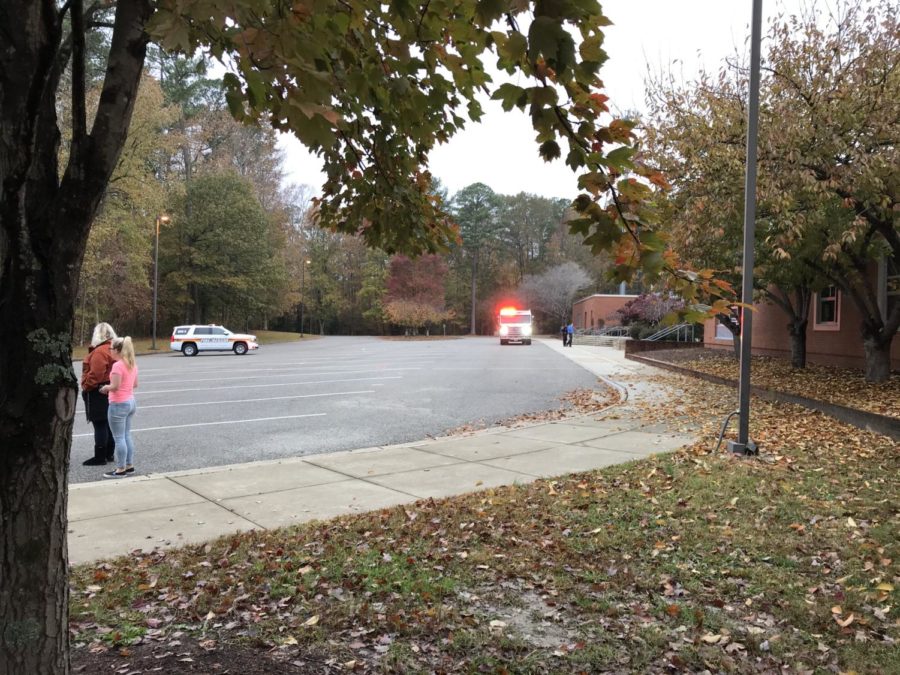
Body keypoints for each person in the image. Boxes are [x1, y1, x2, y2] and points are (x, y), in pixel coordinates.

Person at [100, 337, 139, 478]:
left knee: (119, 437)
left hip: (118, 403)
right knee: (126, 435)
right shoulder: (132, 364)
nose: (110, 351)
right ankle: (129, 465)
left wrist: (105, 387)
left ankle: (121, 469)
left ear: (117, 350)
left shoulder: (117, 366)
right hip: (130, 401)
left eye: (111, 348)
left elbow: (115, 387)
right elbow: (135, 384)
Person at [80, 322, 117, 465]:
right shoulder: (114, 349)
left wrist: (86, 386)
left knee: (100, 423)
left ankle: (100, 456)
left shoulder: (100, 351)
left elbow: (96, 374)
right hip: (112, 388)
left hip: (99, 390)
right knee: (108, 423)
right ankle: (109, 453)